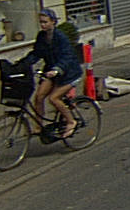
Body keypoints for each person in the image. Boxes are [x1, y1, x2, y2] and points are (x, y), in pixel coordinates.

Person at [23, 8, 84, 137]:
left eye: (45, 22)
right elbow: (37, 53)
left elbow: (67, 56)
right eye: (41, 22)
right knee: (39, 96)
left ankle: (71, 121)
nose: (43, 25)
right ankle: (39, 125)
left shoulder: (61, 37)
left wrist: (57, 69)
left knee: (53, 98)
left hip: (69, 73)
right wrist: (23, 64)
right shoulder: (41, 36)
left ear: (53, 22)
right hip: (51, 71)